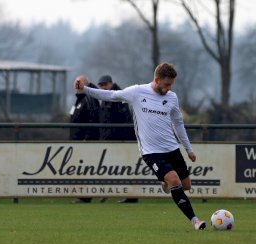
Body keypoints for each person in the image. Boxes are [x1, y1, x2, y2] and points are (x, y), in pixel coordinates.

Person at [75, 63, 206, 230]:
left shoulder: (172, 97)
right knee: (174, 180)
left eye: (171, 85)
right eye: (166, 84)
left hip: (172, 148)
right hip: (151, 152)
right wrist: (85, 89)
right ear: (156, 79)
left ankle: (165, 184)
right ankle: (195, 220)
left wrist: (188, 149)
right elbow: (110, 95)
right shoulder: (137, 92)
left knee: (185, 186)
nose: (168, 88)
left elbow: (178, 123)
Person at [97, 75, 138, 203]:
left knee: (125, 168)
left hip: (121, 141)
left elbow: (124, 120)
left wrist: (125, 142)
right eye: (101, 85)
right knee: (110, 169)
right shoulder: (106, 97)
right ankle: (109, 193)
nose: (103, 87)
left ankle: (131, 196)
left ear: (111, 84)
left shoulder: (119, 96)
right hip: (110, 140)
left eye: (105, 84)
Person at [70, 75, 100, 203]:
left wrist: (87, 139)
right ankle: (82, 195)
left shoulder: (89, 99)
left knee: (86, 169)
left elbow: (93, 120)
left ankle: (86, 196)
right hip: (77, 142)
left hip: (85, 142)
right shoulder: (79, 100)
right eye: (75, 83)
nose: (76, 86)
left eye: (79, 83)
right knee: (79, 170)